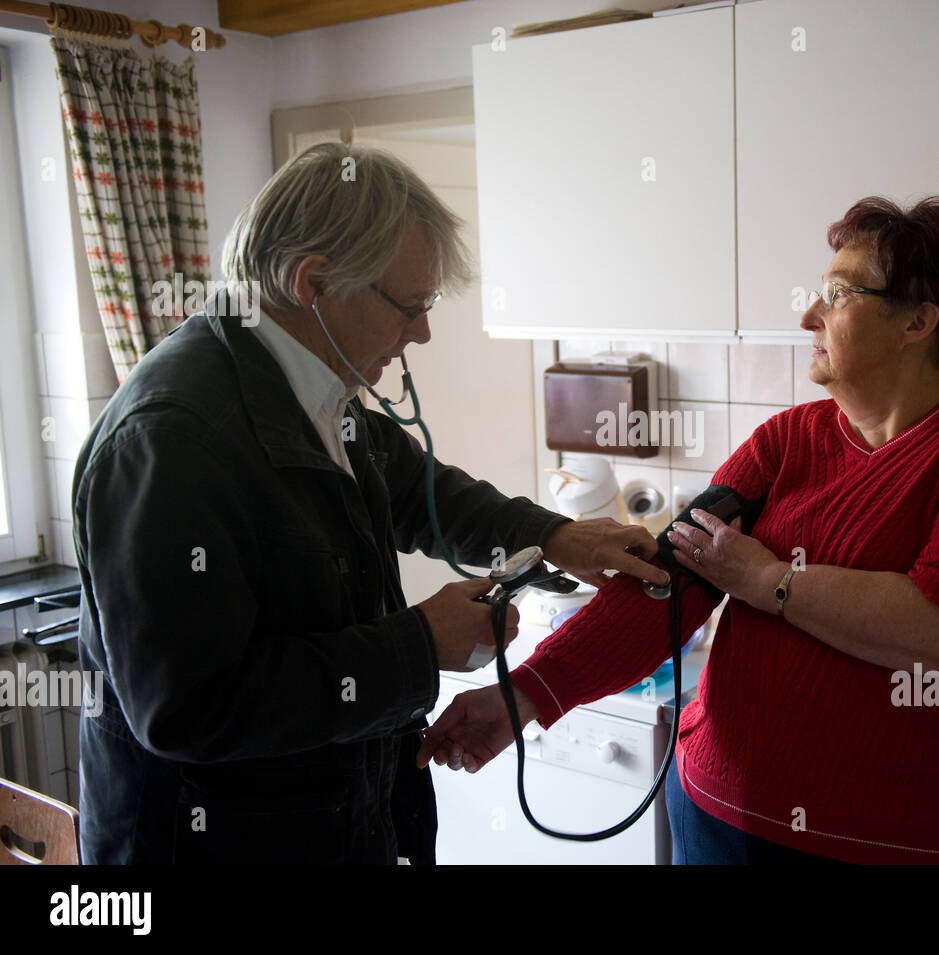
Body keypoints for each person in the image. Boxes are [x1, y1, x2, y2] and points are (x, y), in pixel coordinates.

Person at [71, 143, 668, 864]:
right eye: (408, 306)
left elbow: (426, 493)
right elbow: (188, 708)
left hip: (339, 822)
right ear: (313, 284)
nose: (419, 333)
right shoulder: (171, 439)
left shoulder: (311, 388)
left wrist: (556, 535)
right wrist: (419, 644)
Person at [420, 196, 939, 865]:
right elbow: (666, 584)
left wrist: (769, 580)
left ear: (917, 321)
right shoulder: (784, 441)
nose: (808, 315)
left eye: (839, 294)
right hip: (723, 821)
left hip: (918, 844)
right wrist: (524, 694)